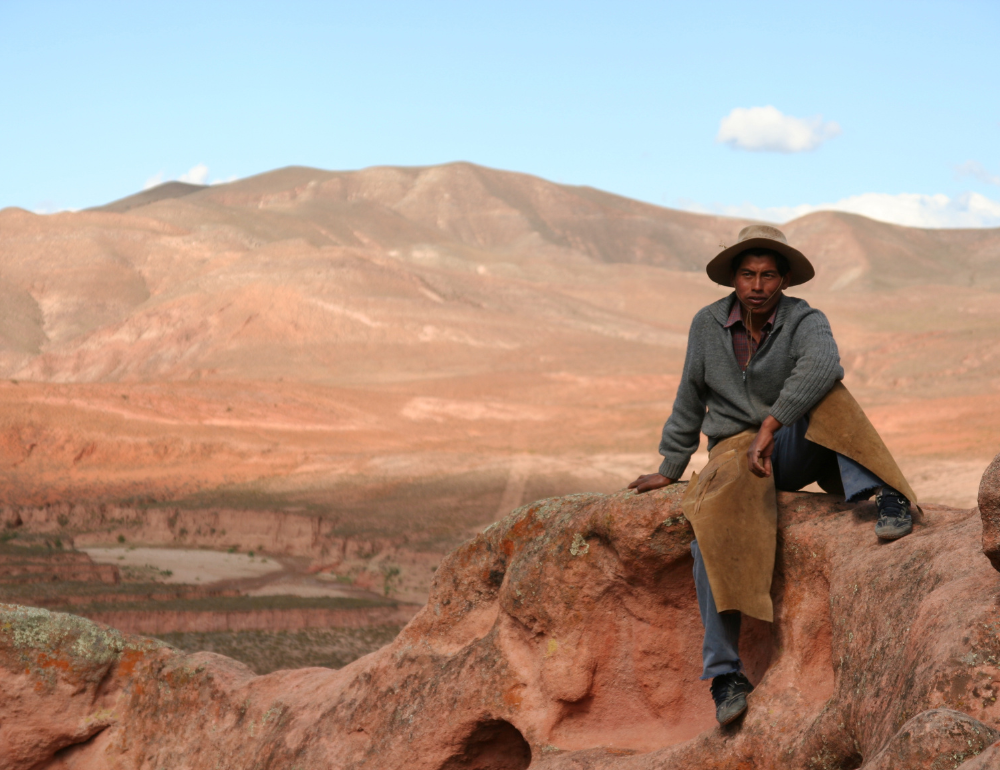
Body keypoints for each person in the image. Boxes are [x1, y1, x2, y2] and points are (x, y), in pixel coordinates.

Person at [628, 225, 914, 727]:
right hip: (737, 451)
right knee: (711, 532)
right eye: (747, 275)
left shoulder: (805, 319)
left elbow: (825, 364)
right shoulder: (706, 325)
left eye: (767, 276)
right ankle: (725, 674)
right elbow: (689, 396)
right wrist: (670, 467)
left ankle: (887, 496)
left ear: (783, 280)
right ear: (733, 280)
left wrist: (773, 423)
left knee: (829, 392)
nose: (757, 285)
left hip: (791, 441)